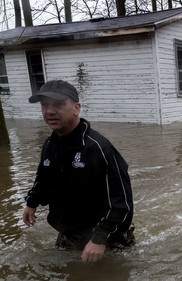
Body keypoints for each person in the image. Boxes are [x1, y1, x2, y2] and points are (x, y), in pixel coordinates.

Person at [22, 80, 134, 263]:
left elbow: (122, 202)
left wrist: (100, 238)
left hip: (105, 240)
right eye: (44, 105)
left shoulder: (99, 148)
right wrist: (32, 202)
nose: (49, 111)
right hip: (69, 234)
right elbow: (43, 176)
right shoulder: (50, 144)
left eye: (58, 104)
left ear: (76, 108)